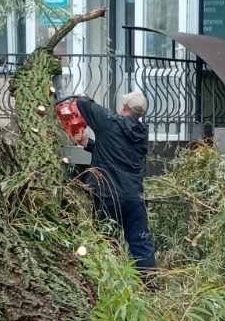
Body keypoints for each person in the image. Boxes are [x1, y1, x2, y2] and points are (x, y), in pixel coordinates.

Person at [57, 89, 156, 273]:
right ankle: (150, 285)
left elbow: (83, 104)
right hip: (134, 196)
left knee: (107, 240)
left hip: (108, 195)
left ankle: (114, 280)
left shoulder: (110, 122)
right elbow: (118, 155)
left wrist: (79, 97)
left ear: (124, 107)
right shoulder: (141, 134)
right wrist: (89, 144)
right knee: (141, 242)